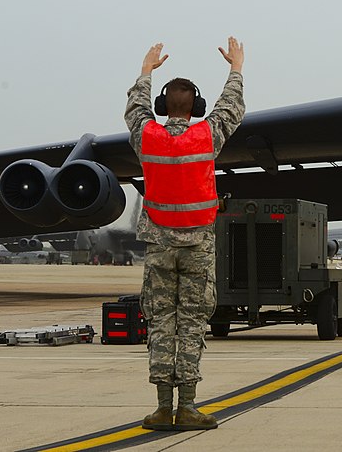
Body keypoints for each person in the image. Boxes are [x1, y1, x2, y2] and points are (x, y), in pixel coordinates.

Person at [124, 37, 245, 431]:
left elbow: (135, 109)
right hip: (197, 245)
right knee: (191, 322)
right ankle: (188, 406)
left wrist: (146, 71)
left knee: (161, 321)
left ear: (162, 106)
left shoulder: (147, 136)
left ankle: (161, 408)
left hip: (159, 245)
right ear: (196, 108)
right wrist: (236, 67)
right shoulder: (206, 136)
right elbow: (232, 107)